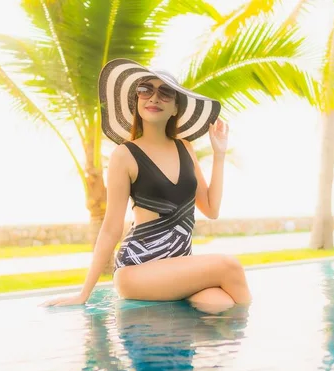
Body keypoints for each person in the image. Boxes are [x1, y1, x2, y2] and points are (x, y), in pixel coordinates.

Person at [43, 58, 252, 309]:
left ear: (176, 107)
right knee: (229, 266)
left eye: (165, 93)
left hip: (179, 267)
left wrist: (219, 155)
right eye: (145, 90)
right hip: (138, 268)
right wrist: (83, 293)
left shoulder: (185, 148)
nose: (154, 98)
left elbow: (211, 209)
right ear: (137, 101)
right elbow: (110, 229)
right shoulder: (125, 155)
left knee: (220, 305)